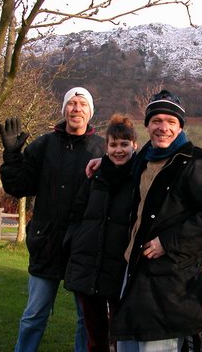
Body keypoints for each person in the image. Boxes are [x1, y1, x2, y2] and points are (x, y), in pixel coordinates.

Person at [109, 89, 202, 351]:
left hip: (170, 286)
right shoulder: (144, 158)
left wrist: (168, 241)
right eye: (156, 121)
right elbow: (121, 164)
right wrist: (101, 162)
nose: (162, 127)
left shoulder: (194, 161)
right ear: (147, 125)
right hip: (135, 274)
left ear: (180, 127)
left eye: (170, 122)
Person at [0, 87, 105, 352]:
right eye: (71, 103)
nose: (76, 108)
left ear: (90, 112)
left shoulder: (101, 148)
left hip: (83, 249)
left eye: (82, 104)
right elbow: (19, 185)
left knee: (86, 320)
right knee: (34, 315)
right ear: (64, 110)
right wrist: (12, 155)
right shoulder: (45, 145)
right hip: (45, 243)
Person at [64, 114, 137, 352]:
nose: (118, 150)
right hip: (89, 265)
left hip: (119, 269)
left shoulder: (139, 179)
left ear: (134, 145)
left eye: (124, 144)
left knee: (120, 338)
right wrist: (74, 243)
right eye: (113, 145)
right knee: (94, 338)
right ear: (105, 147)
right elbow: (77, 213)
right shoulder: (95, 176)